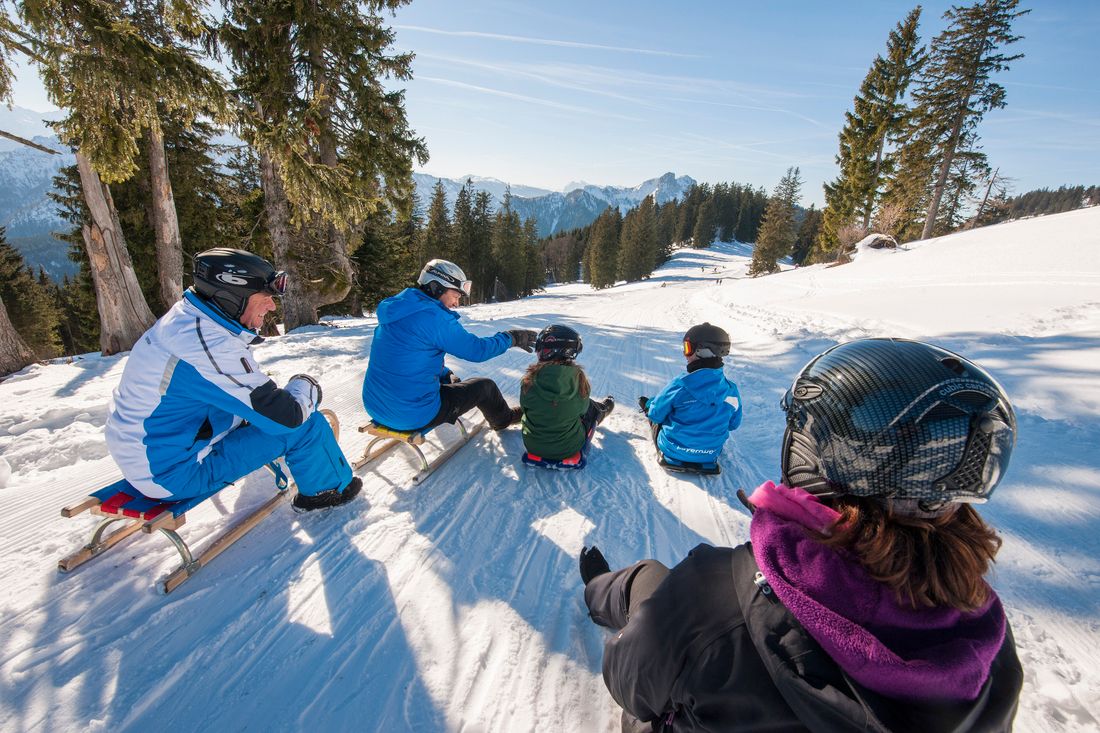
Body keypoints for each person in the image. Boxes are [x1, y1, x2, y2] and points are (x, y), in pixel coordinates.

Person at [581, 338, 1024, 732]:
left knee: (649, 582)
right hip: (710, 455)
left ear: (808, 455)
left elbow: (628, 683)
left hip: (677, 459)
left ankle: (596, 588)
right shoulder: (989, 643)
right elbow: (733, 424)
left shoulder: (712, 596)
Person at [105, 248, 360, 512]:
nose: (272, 306)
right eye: (265, 297)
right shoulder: (210, 345)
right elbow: (288, 416)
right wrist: (307, 385)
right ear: (232, 297)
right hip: (174, 474)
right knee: (304, 424)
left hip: (148, 453)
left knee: (261, 411)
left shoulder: (187, 321)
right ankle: (328, 493)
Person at [362, 258, 537, 433]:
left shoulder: (399, 308)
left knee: (447, 376)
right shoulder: (435, 317)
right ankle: (502, 419)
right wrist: (510, 338)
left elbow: (409, 357)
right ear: (437, 287)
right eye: (455, 296)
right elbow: (477, 350)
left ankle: (438, 386)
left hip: (375, 406)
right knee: (485, 387)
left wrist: (445, 374)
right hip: (413, 415)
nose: (456, 304)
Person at [638, 322, 742, 469]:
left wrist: (650, 406)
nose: (685, 354)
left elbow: (656, 415)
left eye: (688, 348)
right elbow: (733, 424)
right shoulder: (731, 390)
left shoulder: (679, 386)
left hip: (672, 451)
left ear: (702, 351)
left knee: (656, 410)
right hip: (710, 454)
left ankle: (650, 404)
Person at [519, 325, 614, 461]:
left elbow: (525, 408)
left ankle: (599, 409)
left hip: (533, 446)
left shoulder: (528, 381)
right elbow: (582, 411)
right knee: (590, 409)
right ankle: (602, 410)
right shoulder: (579, 380)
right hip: (569, 448)